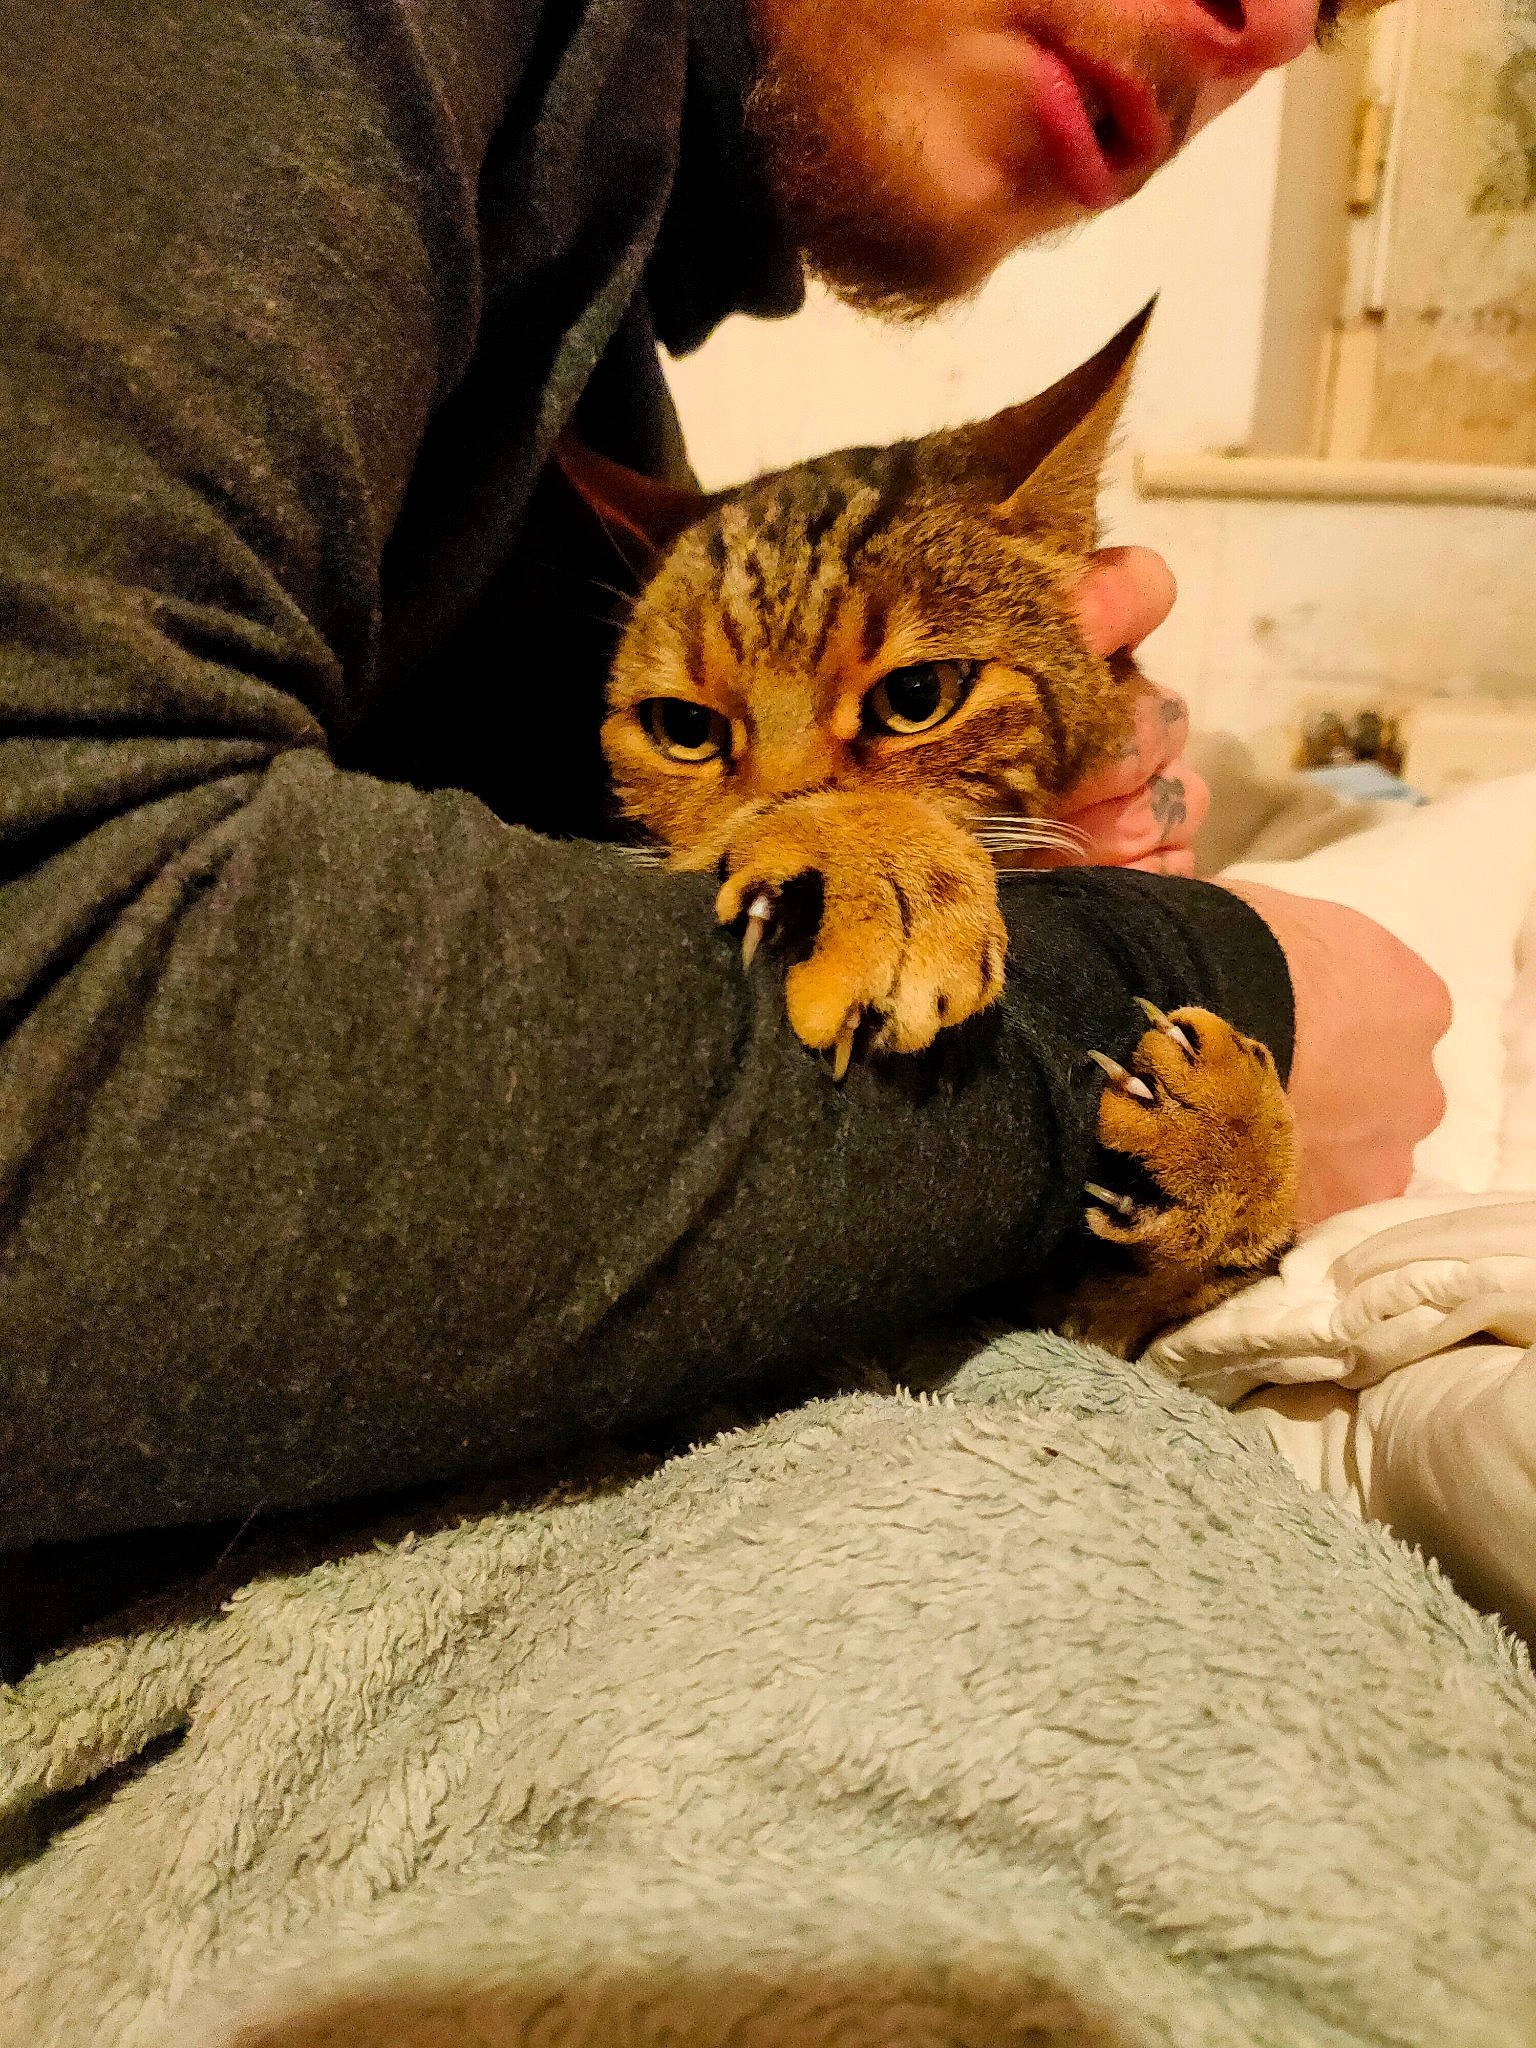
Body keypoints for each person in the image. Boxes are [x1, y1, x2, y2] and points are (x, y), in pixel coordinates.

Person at [0, 0, 1446, 1563]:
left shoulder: (574, 345)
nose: (1276, 18)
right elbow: (65, 1042)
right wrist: (1191, 981)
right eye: (695, 737)